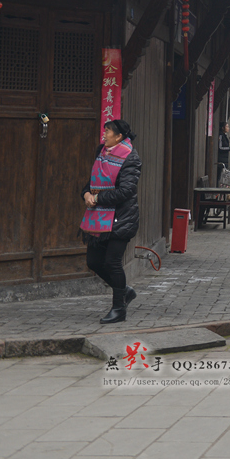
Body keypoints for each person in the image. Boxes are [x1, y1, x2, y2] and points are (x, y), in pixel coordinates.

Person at [82, 119, 142, 325]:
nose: (104, 134)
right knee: (93, 261)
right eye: (105, 130)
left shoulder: (130, 158)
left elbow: (126, 191)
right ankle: (124, 291)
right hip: (99, 218)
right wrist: (86, 194)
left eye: (108, 131)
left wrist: (97, 198)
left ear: (119, 137)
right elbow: (90, 182)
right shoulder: (102, 153)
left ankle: (118, 309)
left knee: (112, 262)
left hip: (121, 218)